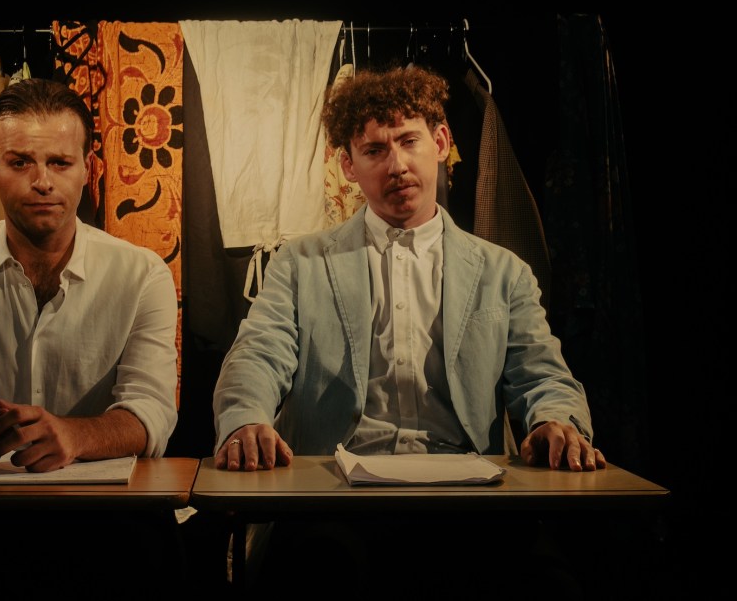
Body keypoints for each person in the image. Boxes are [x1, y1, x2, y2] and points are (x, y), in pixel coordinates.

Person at [210, 65, 606, 594]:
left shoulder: (503, 272)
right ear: (348, 166)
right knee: (314, 572)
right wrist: (245, 420)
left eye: (408, 141)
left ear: (440, 142)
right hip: (335, 495)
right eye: (374, 150)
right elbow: (258, 353)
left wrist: (556, 420)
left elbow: (542, 374)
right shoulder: (300, 264)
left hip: (469, 500)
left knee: (549, 585)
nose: (396, 165)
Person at [0, 78, 180, 598]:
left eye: (60, 163)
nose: (43, 181)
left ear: (88, 168)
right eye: (20, 162)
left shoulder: (142, 274)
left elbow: (150, 412)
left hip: (106, 516)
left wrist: (74, 436)